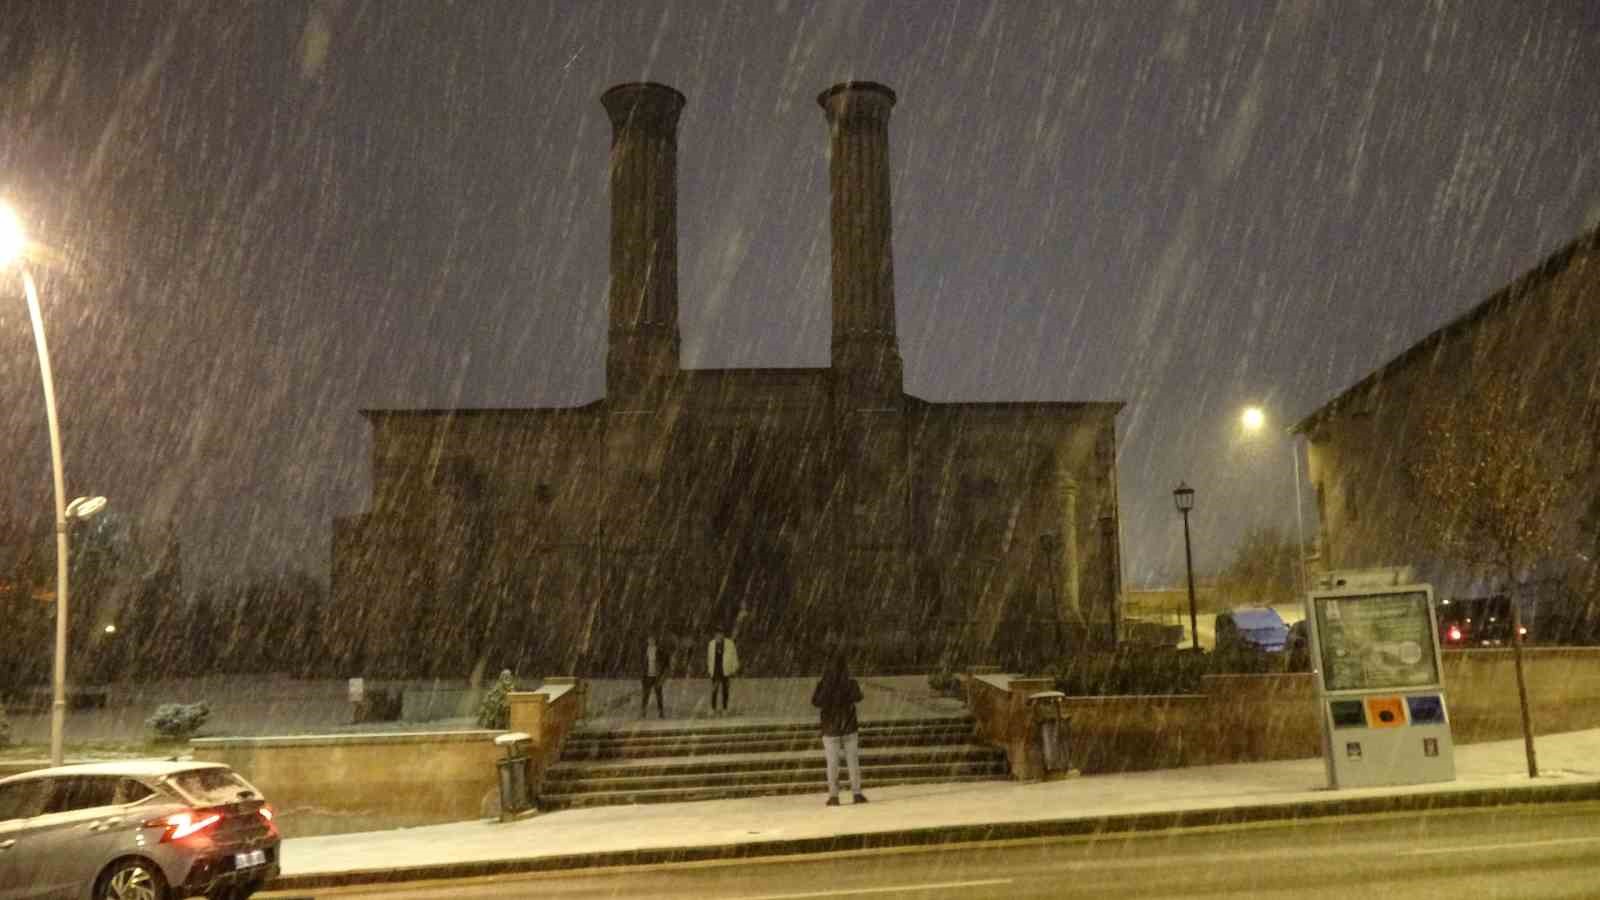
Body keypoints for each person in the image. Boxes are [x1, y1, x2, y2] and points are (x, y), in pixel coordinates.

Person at [811, 651, 866, 805]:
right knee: (853, 762)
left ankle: (834, 796)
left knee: (832, 763)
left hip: (830, 728)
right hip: (848, 726)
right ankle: (856, 793)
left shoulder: (823, 684)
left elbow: (816, 702)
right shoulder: (850, 683)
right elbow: (858, 697)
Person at [706, 627, 739, 715]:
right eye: (717, 634)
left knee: (725, 690)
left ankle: (725, 708)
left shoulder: (729, 643)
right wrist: (709, 669)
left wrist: (734, 668)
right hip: (715, 670)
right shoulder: (711, 644)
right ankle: (713, 708)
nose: (719, 636)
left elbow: (734, 656)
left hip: (725, 670)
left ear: (723, 634)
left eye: (720, 634)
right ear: (715, 635)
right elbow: (709, 658)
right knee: (714, 690)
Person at [641, 634, 667, 718]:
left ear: (655, 640)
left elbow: (665, 663)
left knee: (659, 695)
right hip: (647, 676)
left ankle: (661, 712)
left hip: (657, 676)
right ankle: (643, 712)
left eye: (652, 639)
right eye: (649, 639)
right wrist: (642, 674)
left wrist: (662, 675)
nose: (651, 641)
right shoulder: (644, 651)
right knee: (645, 695)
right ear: (647, 640)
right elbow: (641, 663)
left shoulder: (660, 650)